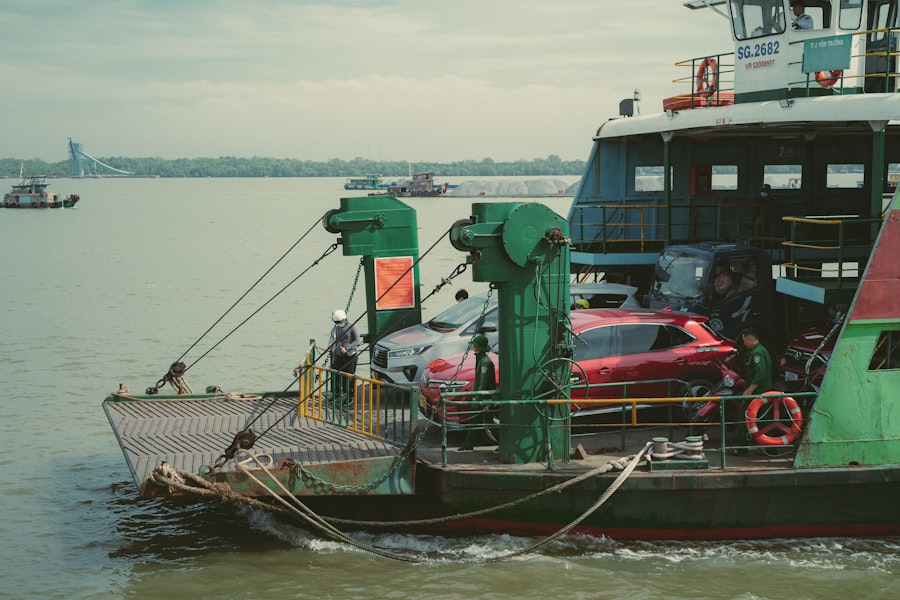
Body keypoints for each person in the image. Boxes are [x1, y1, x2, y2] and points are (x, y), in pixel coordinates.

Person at [460, 334, 497, 451]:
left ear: (479, 347)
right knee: (476, 421)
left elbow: (483, 383)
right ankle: (468, 445)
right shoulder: (481, 360)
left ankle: (468, 445)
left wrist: (477, 398)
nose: (473, 348)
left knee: (486, 421)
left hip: (484, 397)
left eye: (475, 346)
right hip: (481, 397)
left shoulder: (484, 362)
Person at [741, 328, 773, 396]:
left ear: (751, 339)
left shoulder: (757, 353)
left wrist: (750, 390)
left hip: (759, 391)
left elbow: (760, 374)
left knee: (746, 406)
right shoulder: (761, 349)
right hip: (759, 390)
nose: (744, 344)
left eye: (745, 341)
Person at [329, 309, 360, 375]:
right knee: (336, 376)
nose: (337, 324)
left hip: (350, 356)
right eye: (336, 322)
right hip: (338, 356)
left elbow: (357, 341)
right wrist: (331, 346)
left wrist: (347, 348)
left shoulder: (352, 327)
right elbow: (332, 337)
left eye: (339, 322)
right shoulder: (336, 327)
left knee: (349, 377)